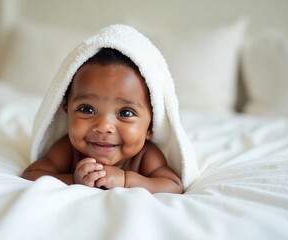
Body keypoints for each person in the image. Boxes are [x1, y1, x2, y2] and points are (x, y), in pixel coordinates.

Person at [22, 48, 183, 194]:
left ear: (150, 126)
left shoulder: (146, 155)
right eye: (87, 110)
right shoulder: (68, 149)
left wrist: (126, 180)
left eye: (126, 112)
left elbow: (173, 185)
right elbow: (31, 174)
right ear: (67, 112)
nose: (103, 126)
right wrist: (74, 180)